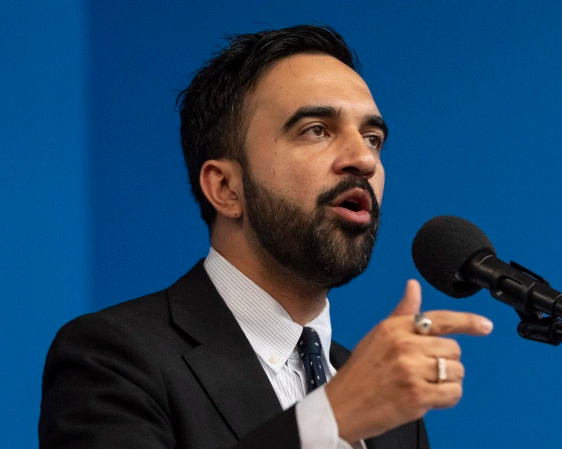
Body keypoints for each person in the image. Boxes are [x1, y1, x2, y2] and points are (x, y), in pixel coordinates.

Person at [38, 25, 493, 449]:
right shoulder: (112, 358)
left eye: (373, 138)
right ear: (225, 188)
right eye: (316, 130)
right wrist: (329, 418)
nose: (364, 159)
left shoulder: (389, 405)